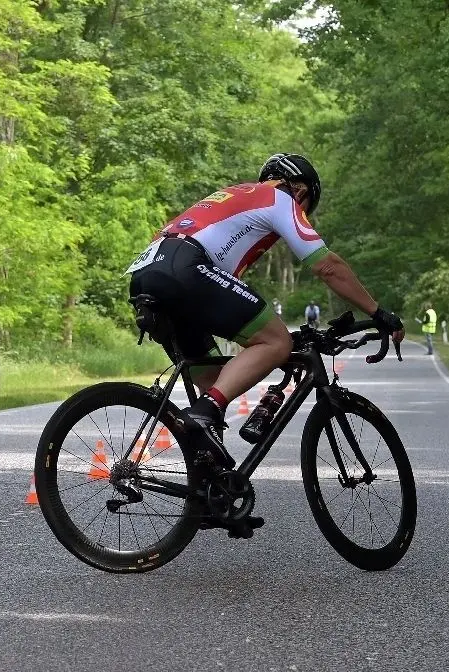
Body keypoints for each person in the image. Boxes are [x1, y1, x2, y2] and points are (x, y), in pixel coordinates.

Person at [125, 152, 405, 531]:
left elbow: (231, 305)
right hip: (186, 268)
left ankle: (209, 495)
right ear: (300, 190)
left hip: (148, 273)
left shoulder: (235, 199)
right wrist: (378, 312)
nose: (302, 213)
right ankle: (204, 414)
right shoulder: (279, 198)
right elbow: (327, 266)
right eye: (306, 206)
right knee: (274, 343)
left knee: (217, 382)